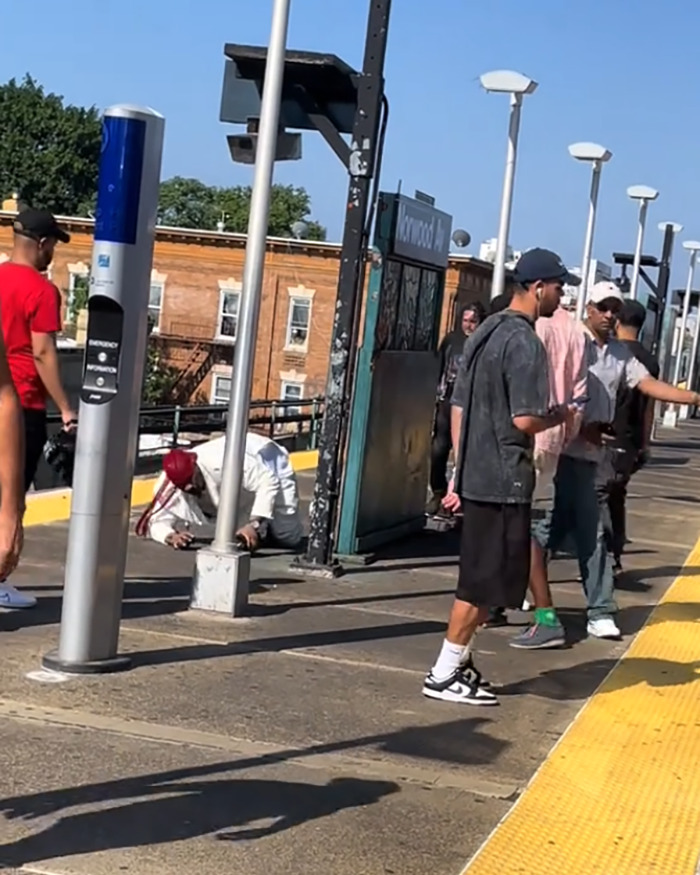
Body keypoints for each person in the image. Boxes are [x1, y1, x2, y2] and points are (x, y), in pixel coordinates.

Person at [423, 249, 577, 706]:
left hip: (476, 472)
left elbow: (459, 405)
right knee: (481, 581)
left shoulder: (484, 332)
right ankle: (444, 671)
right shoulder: (526, 343)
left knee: (487, 577)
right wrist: (560, 416)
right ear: (537, 288)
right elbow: (525, 420)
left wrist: (457, 470)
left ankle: (461, 663)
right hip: (504, 477)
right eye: (558, 287)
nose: (561, 297)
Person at [512, 281, 700, 649]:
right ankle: (565, 603)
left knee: (571, 532)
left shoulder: (618, 354)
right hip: (552, 450)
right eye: (603, 307)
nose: (609, 314)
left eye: (615, 308)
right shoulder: (566, 338)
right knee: (561, 531)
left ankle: (583, 606)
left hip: (586, 458)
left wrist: (693, 396)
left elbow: (647, 384)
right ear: (588, 308)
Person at [0, 208, 76, 609]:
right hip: (23, 404)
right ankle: (0, 577)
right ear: (43, 244)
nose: (53, 256)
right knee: (11, 500)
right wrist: (66, 407)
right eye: (53, 247)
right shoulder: (42, 291)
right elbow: (43, 352)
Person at [136, 432, 303, 550]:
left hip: (269, 462)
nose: (189, 488)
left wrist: (253, 524)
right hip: (242, 496)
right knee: (237, 535)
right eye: (183, 486)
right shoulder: (168, 487)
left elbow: (267, 481)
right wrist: (170, 536)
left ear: (196, 466)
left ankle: (265, 525)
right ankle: (262, 528)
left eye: (191, 481)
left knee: (287, 538)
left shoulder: (225, 460)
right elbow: (156, 521)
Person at [607, 299, 660, 572]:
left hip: (604, 435)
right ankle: (615, 555)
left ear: (617, 321)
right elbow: (649, 406)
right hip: (631, 441)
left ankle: (601, 556)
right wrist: (645, 443)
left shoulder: (611, 353)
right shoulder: (650, 360)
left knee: (595, 497)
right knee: (617, 497)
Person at [426, 302, 485, 515]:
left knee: (466, 452)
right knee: (439, 449)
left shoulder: (483, 343)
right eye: (466, 321)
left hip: (472, 404)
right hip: (448, 401)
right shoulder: (452, 340)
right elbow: (440, 366)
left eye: (473, 322)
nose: (468, 326)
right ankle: (439, 492)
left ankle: (459, 498)